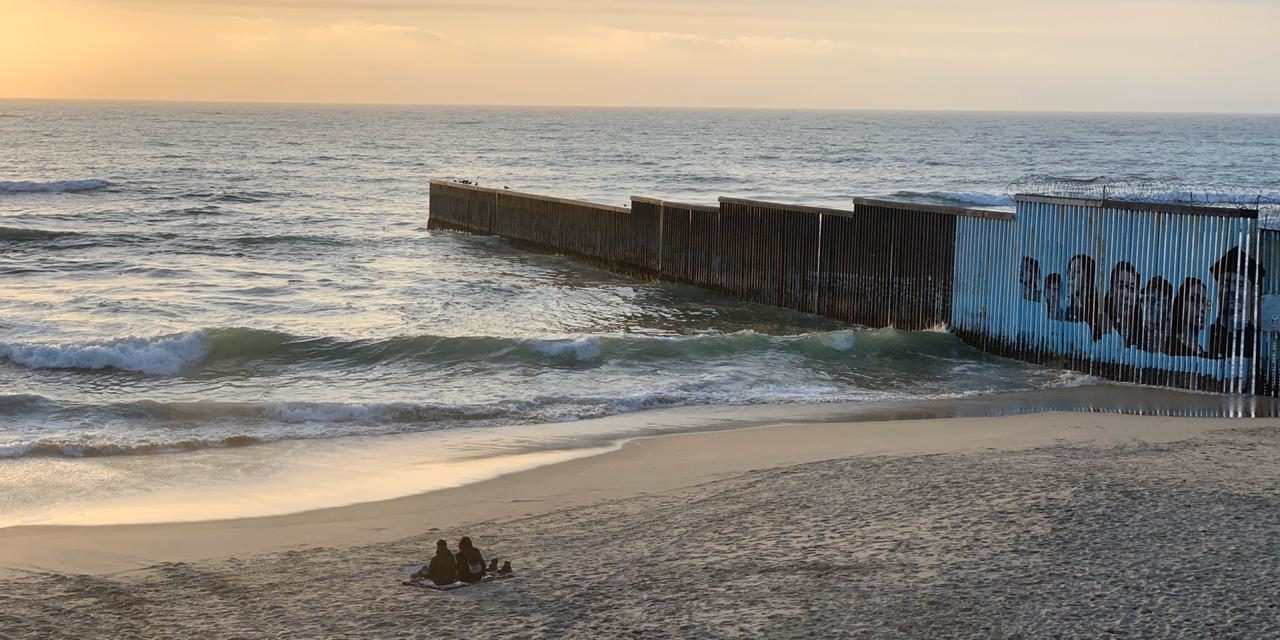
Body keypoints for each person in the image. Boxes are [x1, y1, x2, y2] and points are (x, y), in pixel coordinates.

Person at [1207, 246, 1263, 360]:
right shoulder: (1208, 335)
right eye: (1225, 282)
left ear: (1251, 291)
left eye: (1240, 284)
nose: (1232, 289)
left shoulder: (1258, 339)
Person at [1168, 277, 1210, 358]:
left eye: (1205, 301)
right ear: (1180, 304)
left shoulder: (1203, 355)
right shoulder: (1170, 349)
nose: (1202, 308)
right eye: (1194, 299)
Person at [1103, 262, 1142, 347]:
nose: (1125, 295)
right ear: (1111, 291)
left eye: (1132, 288)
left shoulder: (1143, 334)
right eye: (1120, 287)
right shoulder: (1101, 327)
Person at [1137, 277, 1174, 354]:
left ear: (1168, 307)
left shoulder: (1173, 342)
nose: (1149, 307)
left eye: (1156, 302)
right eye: (1147, 300)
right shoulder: (1134, 339)